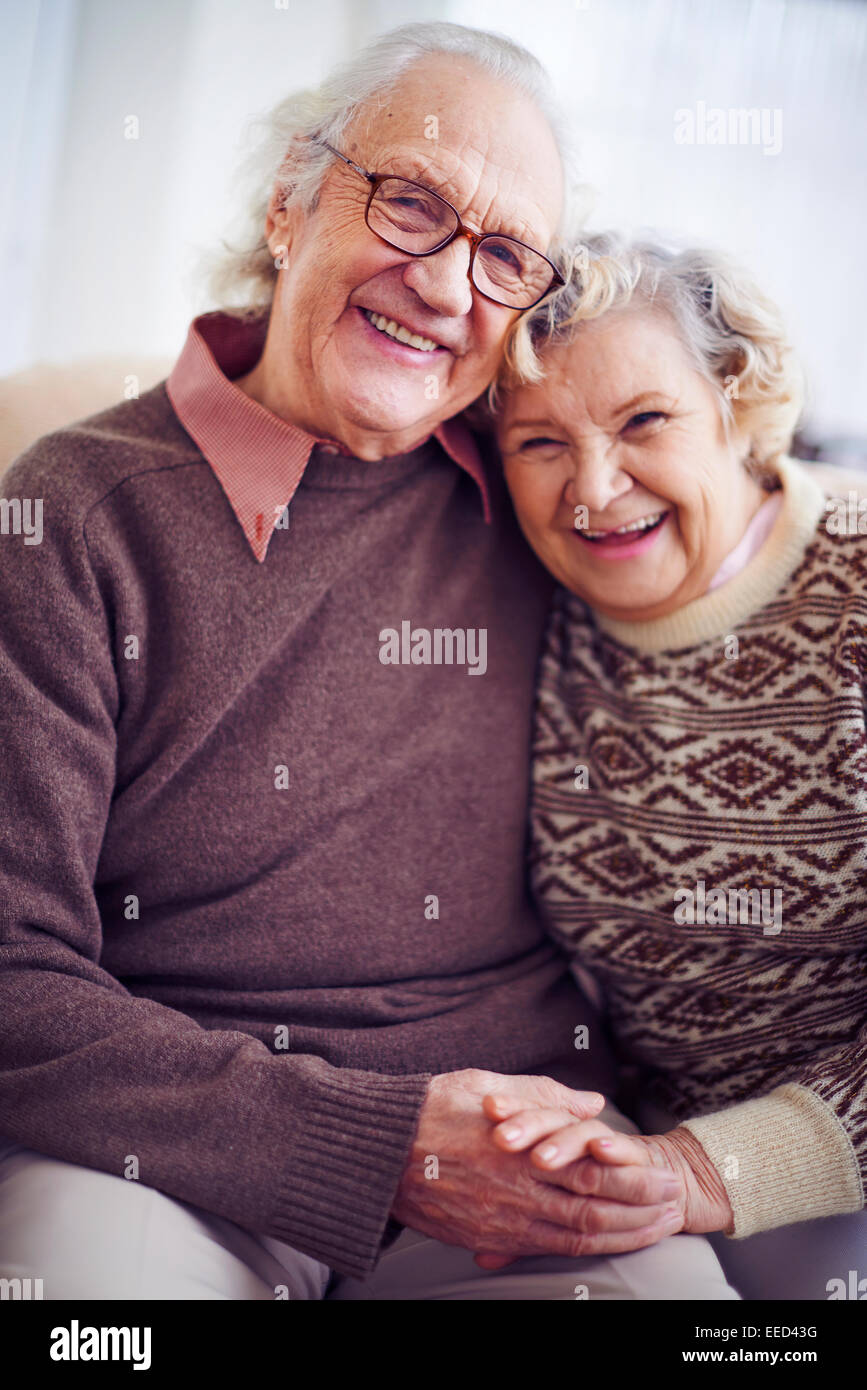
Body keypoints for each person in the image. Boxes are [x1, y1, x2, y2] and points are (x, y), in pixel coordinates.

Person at [0, 25, 736, 1300]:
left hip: (524, 1138)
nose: (449, 288)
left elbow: (733, 530)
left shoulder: (547, 492)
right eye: (413, 205)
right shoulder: (72, 513)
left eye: (506, 256)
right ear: (292, 197)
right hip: (168, 1157)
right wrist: (367, 1146)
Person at [490, 231, 866, 1299]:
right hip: (628, 1169)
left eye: (644, 420)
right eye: (539, 443)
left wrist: (703, 1171)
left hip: (831, 1193)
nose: (596, 488)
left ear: (739, 406)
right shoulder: (527, 599)